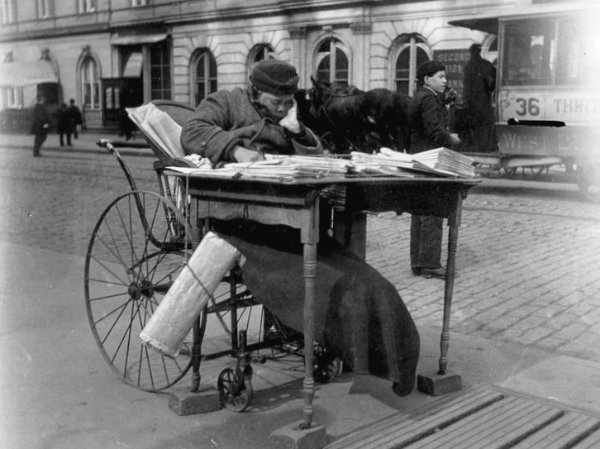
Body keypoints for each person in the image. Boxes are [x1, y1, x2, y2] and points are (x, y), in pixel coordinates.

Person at [181, 59, 420, 396]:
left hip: (291, 225)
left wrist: (296, 130)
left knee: (369, 283)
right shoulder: (226, 102)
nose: (282, 109)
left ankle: (395, 367)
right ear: (254, 92)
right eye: (275, 103)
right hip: (244, 228)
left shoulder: (289, 116)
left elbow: (317, 154)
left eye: (286, 103)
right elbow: (192, 132)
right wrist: (236, 151)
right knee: (332, 287)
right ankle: (353, 352)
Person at [408, 60, 462, 279]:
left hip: (418, 158)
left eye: (445, 77)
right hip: (431, 160)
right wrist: (452, 138)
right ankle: (430, 263)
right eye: (440, 76)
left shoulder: (418, 97)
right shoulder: (429, 99)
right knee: (432, 210)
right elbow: (434, 131)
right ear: (427, 79)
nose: (445, 81)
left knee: (419, 211)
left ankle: (418, 263)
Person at [462, 43, 498, 153]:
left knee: (474, 126)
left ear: (471, 52)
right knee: (486, 125)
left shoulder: (468, 66)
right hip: (485, 101)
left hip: (473, 102)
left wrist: (466, 102)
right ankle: (487, 147)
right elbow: (493, 84)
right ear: (480, 51)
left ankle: (477, 148)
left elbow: (466, 86)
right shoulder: (487, 65)